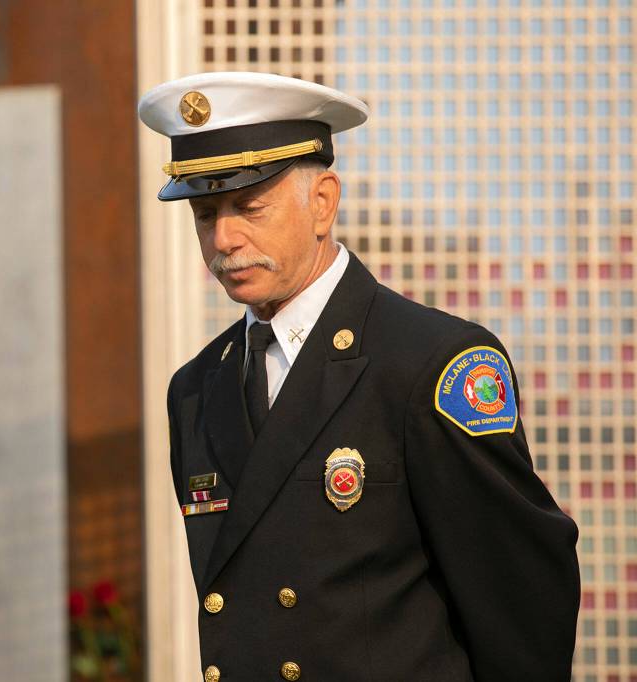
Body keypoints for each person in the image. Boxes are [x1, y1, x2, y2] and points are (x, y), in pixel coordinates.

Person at [139, 72, 580, 682]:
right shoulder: (195, 389)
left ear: (322, 203)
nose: (224, 238)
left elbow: (523, 595)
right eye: (205, 212)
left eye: (249, 207)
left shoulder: (430, 363)